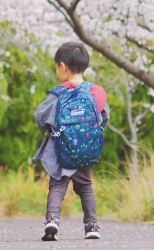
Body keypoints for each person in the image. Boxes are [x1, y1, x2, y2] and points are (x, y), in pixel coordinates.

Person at [33, 42, 110, 241]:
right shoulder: (95, 92)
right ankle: (91, 225)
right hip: (86, 150)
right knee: (85, 186)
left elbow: (41, 117)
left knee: (57, 185)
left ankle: (52, 220)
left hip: (62, 151)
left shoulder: (57, 93)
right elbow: (104, 117)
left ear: (63, 67)